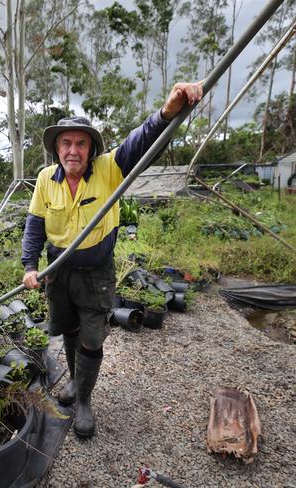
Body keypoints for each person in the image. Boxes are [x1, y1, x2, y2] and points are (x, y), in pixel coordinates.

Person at [21, 82, 203, 438]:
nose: (73, 150)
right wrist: (30, 266)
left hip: (95, 274)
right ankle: (75, 381)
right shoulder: (45, 179)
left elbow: (143, 140)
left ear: (91, 149)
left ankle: (85, 401)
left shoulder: (108, 169)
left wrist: (168, 112)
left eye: (81, 143)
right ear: (57, 147)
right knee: (70, 331)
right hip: (59, 272)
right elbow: (35, 225)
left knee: (92, 338)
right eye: (66, 143)